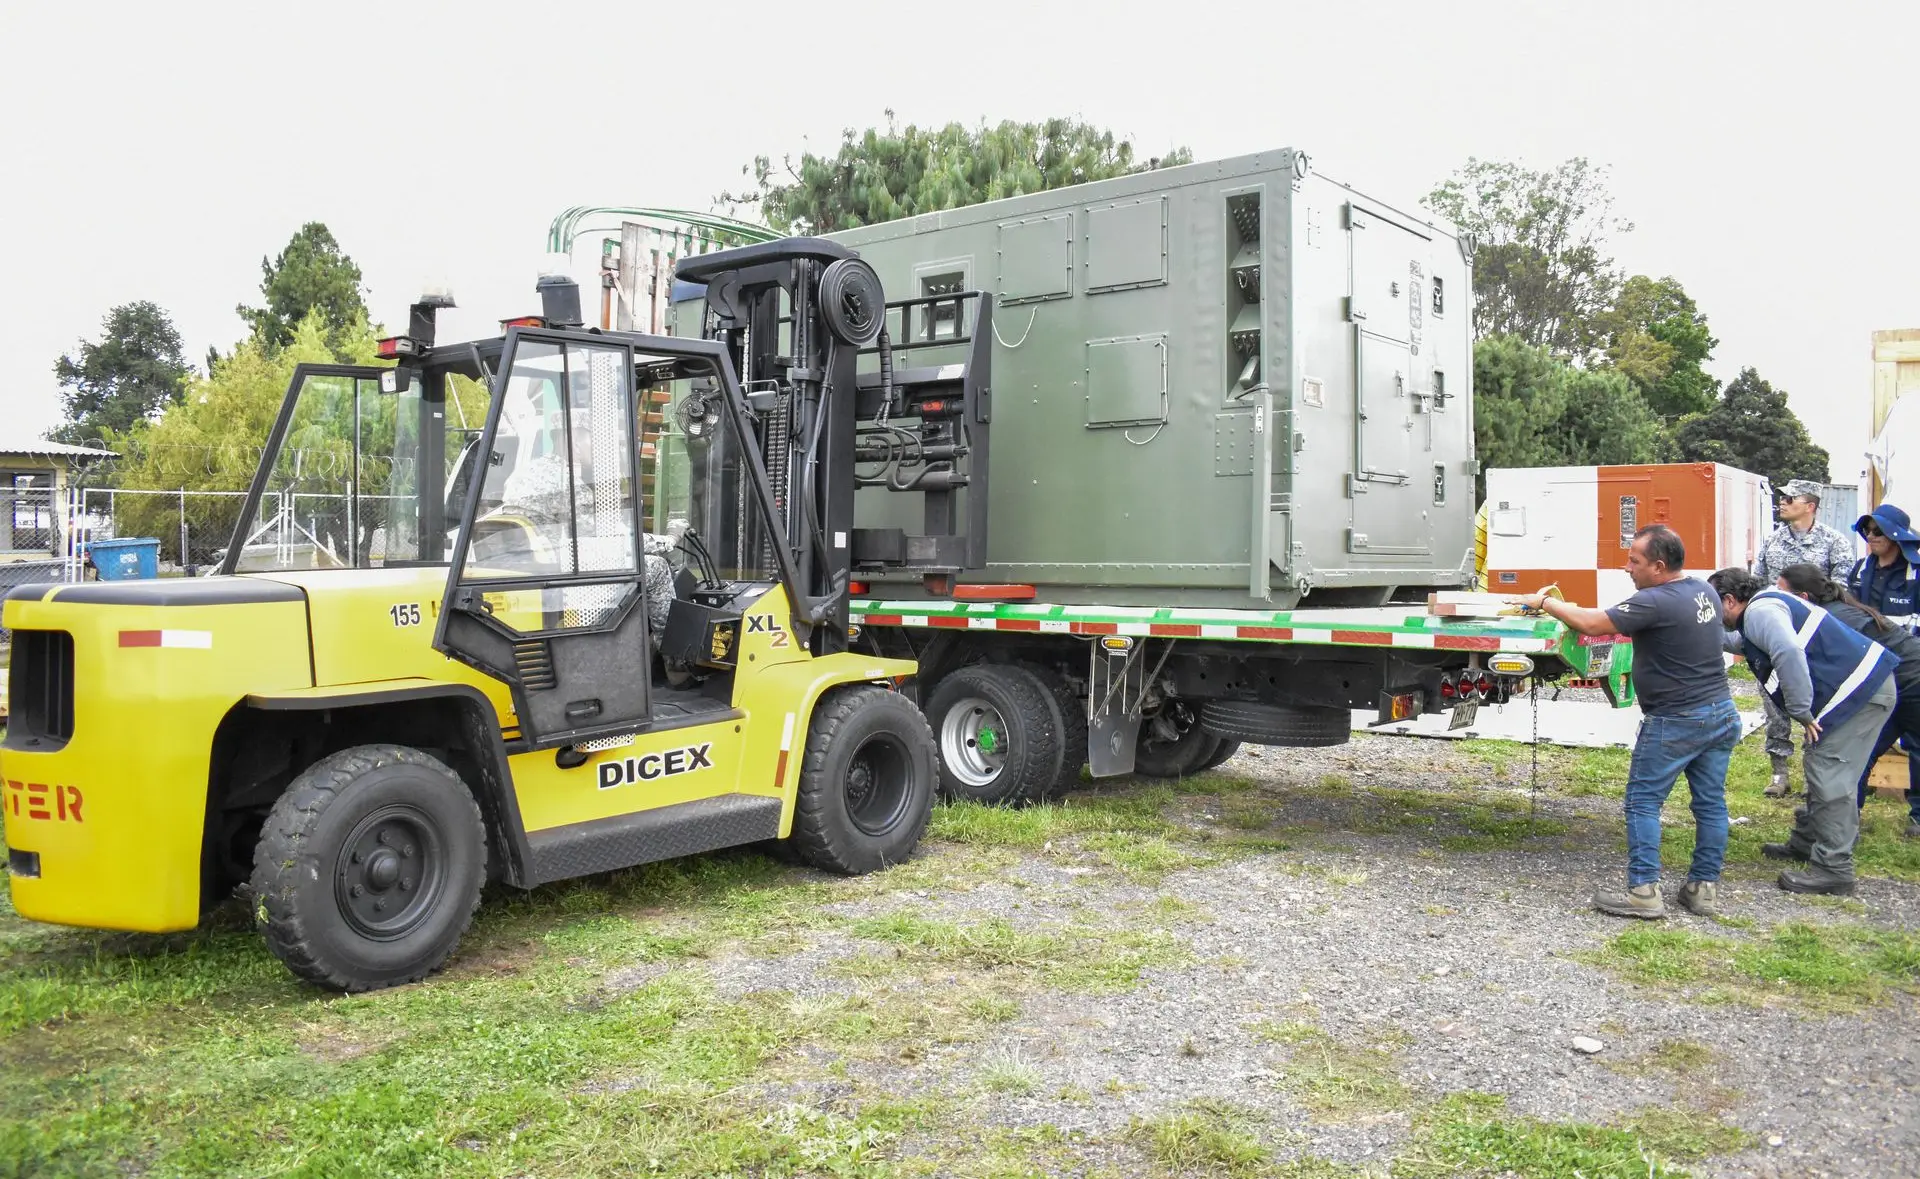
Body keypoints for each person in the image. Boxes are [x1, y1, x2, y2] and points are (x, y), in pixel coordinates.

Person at [1519, 525, 1738, 919]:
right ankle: (1703, 889)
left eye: (1634, 561)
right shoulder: (1702, 590)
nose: (1626, 567)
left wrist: (1545, 602)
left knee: (1643, 802)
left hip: (1676, 719)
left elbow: (1591, 624)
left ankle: (1643, 892)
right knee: (1710, 804)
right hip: (1719, 711)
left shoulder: (1654, 601)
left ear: (1658, 566)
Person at [1708, 567, 1899, 896]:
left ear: (1729, 601)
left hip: (1860, 695)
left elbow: (1788, 650)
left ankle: (1834, 869)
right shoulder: (1761, 610)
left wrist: (1800, 709)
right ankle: (1806, 842)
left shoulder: (1761, 611)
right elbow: (1738, 642)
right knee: (1820, 766)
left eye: (1711, 608)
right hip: (1859, 690)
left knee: (1830, 776)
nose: (1709, 615)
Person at [1777, 563, 1920, 838]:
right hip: (1891, 683)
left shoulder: (1831, 619)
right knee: (1858, 753)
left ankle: (1840, 828)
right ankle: (1840, 824)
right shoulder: (1831, 612)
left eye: (1781, 592)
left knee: (1859, 750)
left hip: (1911, 681)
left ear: (1802, 597)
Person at [1751, 479, 1856, 797]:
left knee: (1819, 705)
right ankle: (1779, 774)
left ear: (1810, 505)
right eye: (1782, 497)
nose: (1782, 502)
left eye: (1789, 498)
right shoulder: (1772, 541)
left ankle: (1815, 776)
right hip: (1775, 635)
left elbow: (1839, 592)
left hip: (1815, 638)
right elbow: (1758, 583)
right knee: (1774, 704)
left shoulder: (1835, 542)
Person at [1847, 503, 1920, 631]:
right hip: (1862, 643)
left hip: (1903, 644)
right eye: (1867, 530)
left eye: (1878, 531)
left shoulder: (1916, 574)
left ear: (1896, 536)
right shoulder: (1860, 568)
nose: (1870, 536)